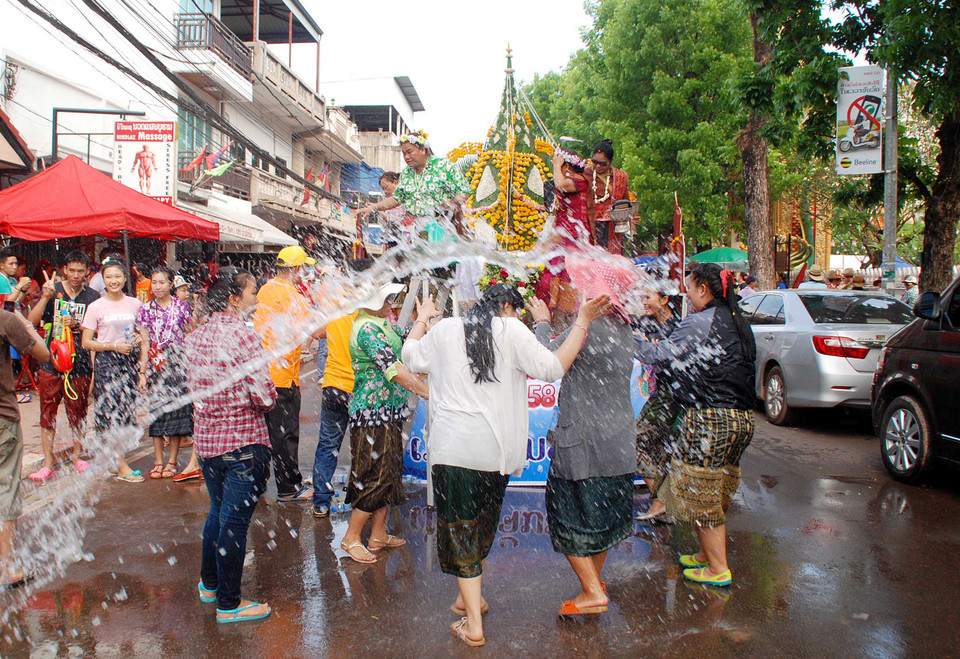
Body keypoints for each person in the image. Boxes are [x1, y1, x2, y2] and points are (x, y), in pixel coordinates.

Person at [401, 284, 609, 646]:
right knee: (480, 526)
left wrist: (420, 320)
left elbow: (409, 357)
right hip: (495, 453)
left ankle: (473, 619)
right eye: (516, 311)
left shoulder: (447, 328)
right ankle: (471, 601)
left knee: (461, 529)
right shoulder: (512, 330)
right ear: (508, 307)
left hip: (453, 452)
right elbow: (554, 367)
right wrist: (582, 321)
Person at [633, 263, 757, 587]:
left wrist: (627, 338)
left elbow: (660, 354)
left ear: (704, 289)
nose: (686, 295)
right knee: (715, 492)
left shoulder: (701, 321)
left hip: (712, 418)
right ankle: (704, 555)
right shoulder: (738, 322)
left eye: (690, 288)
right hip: (741, 420)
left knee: (704, 496)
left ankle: (718, 568)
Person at [531, 256, 638, 618]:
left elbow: (547, 360)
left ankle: (592, 592)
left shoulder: (588, 326)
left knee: (568, 514)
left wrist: (542, 323)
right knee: (602, 518)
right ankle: (594, 582)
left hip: (583, 442)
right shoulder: (625, 326)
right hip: (619, 441)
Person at [187, 267, 276, 624]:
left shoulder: (195, 337)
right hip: (242, 443)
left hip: (208, 444)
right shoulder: (245, 337)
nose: (256, 299)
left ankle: (209, 584)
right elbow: (263, 396)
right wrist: (269, 398)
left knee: (218, 511)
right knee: (234, 522)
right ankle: (229, 604)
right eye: (253, 292)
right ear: (234, 299)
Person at [339, 282, 429, 564]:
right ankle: (351, 537)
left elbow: (409, 341)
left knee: (388, 472)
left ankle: (378, 534)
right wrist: (427, 392)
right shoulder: (366, 328)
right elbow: (394, 369)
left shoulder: (383, 324)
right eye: (386, 299)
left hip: (389, 411)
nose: (391, 302)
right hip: (371, 413)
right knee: (372, 475)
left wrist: (424, 318)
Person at [253, 246, 323, 503]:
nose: (303, 273)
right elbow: (316, 330)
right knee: (285, 434)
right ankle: (288, 487)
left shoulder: (265, 289)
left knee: (262, 433)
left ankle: (258, 483)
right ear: (295, 269)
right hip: (282, 375)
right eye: (302, 268)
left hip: (262, 372)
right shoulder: (291, 295)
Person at [26, 251, 100, 481]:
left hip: (79, 362)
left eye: (80, 271)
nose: (76, 275)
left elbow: (97, 328)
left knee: (77, 411)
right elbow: (31, 322)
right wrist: (45, 298)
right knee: (47, 411)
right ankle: (48, 463)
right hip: (52, 360)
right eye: (72, 270)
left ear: (87, 271)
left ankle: (78, 456)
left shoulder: (93, 296)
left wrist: (78, 324)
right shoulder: (52, 290)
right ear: (64, 269)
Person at [80, 256, 144, 483]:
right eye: (109, 277)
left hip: (130, 361)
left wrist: (138, 337)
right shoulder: (95, 306)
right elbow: (86, 342)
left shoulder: (135, 304)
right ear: (102, 280)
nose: (114, 281)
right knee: (109, 412)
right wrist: (113, 346)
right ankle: (121, 465)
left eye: (118, 276)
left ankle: (114, 460)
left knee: (126, 412)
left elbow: (144, 333)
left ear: (125, 278)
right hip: (107, 362)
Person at [0, 308, 50, 587]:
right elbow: (43, 354)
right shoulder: (5, 319)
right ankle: (7, 569)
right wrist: (26, 325)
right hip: (2, 419)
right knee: (5, 491)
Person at [357, 131, 471, 239]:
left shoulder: (444, 166)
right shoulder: (406, 173)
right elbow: (397, 198)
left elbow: (465, 191)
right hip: (420, 230)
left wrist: (450, 204)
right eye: (403, 153)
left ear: (422, 149)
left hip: (446, 225)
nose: (406, 157)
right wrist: (374, 207)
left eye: (409, 152)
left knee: (443, 257)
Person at [137, 267, 194, 479]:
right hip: (155, 365)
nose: (157, 286)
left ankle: (172, 461)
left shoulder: (182, 307)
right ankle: (158, 460)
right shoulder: (145, 310)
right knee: (157, 414)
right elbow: (144, 342)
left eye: (162, 282)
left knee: (177, 415)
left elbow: (188, 334)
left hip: (178, 365)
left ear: (171, 284)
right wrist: (142, 372)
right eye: (154, 282)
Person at [633, 283, 681, 523]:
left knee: (635, 439)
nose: (643, 301)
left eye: (648, 296)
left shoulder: (677, 328)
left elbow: (654, 354)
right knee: (658, 449)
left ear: (664, 300)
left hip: (670, 395)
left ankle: (661, 500)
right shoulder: (649, 323)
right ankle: (663, 502)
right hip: (658, 393)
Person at [584, 139, 631, 254]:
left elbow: (625, 204)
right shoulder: (584, 173)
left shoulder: (620, 177)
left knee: (609, 262)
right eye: (595, 162)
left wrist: (631, 219)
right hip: (588, 224)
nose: (598, 166)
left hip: (611, 228)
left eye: (603, 164)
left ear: (611, 161)